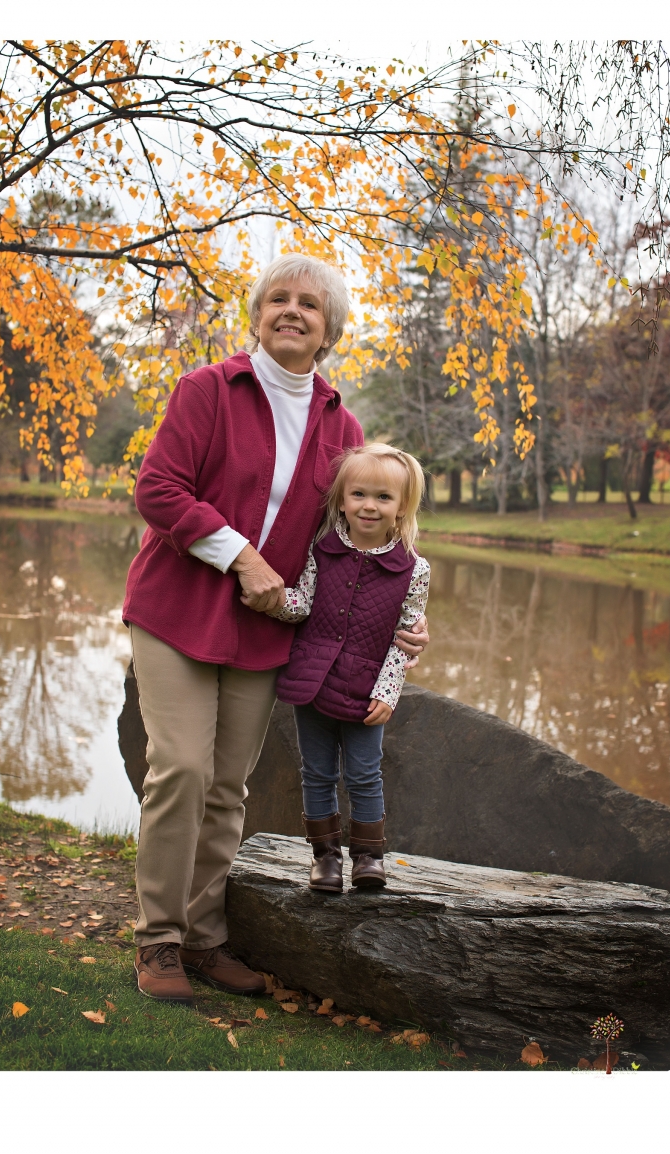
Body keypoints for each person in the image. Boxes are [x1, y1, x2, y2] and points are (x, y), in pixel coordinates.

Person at [122, 253, 430, 1004]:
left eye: (310, 305)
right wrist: (241, 557)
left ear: (329, 332)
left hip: (267, 629)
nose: (293, 311)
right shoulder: (209, 390)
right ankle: (158, 939)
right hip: (177, 608)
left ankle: (206, 939)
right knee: (183, 770)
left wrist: (401, 624)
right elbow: (157, 489)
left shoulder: (343, 424)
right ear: (257, 316)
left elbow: (360, 539)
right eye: (279, 300)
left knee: (228, 786)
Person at [253, 443, 429, 891]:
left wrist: (388, 691)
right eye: (359, 495)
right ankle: (325, 859)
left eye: (383, 498)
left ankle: (369, 859)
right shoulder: (321, 549)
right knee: (316, 773)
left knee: (365, 774)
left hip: (367, 689)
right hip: (311, 681)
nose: (369, 506)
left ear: (402, 507)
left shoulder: (414, 570)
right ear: (342, 500)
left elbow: (405, 640)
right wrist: (272, 600)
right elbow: (303, 604)